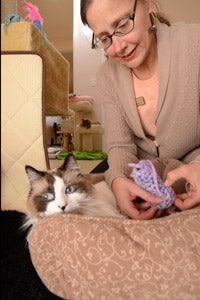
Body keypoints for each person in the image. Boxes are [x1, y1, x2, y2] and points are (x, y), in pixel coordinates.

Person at [80, 0, 200, 219]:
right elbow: (120, 145)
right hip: (139, 168)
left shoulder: (195, 45)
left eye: (123, 24)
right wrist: (117, 180)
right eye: (105, 38)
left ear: (146, 5)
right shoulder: (107, 75)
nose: (117, 48)